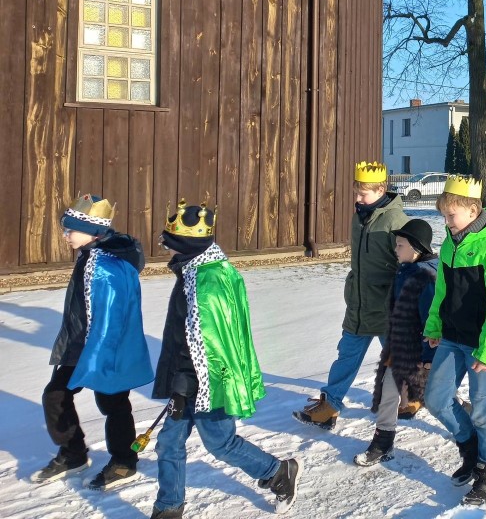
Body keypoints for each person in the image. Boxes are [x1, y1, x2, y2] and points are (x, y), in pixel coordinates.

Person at [150, 201, 301, 519]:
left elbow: (210, 346)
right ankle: (168, 508)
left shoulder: (208, 282)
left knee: (220, 443)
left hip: (208, 381)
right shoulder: (195, 271)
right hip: (188, 378)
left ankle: (278, 472)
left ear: (186, 245)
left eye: (170, 240)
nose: (164, 245)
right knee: (168, 443)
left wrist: (184, 384)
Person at [33, 194, 153, 489]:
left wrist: (97, 358)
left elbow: (109, 321)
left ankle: (124, 460)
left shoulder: (105, 267)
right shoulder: (92, 255)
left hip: (104, 349)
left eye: (70, 229)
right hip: (81, 344)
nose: (65, 235)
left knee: (112, 400)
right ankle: (73, 453)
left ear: (92, 232)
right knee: (56, 395)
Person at [294, 161, 409, 429]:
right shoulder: (359, 216)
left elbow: (408, 262)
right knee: (346, 354)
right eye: (356, 191)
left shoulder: (396, 221)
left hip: (385, 306)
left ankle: (412, 397)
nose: (357, 198)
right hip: (358, 302)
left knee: (399, 357)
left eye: (363, 193)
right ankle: (330, 405)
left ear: (381, 189)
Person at [423, 176, 486, 507]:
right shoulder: (450, 242)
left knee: (483, 408)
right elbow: (442, 292)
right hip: (451, 337)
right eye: (444, 215)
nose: (446, 221)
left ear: (473, 210)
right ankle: (470, 446)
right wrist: (434, 327)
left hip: (482, 344)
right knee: (436, 398)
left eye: (451, 215)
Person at [355, 218, 438, 466]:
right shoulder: (406, 270)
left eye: (400, 245)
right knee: (389, 391)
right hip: (400, 347)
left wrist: (427, 357)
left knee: (437, 398)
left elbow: (429, 322)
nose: (395, 249)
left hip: (419, 351)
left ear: (416, 248)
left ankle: (468, 433)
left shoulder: (425, 278)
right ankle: (383, 443)